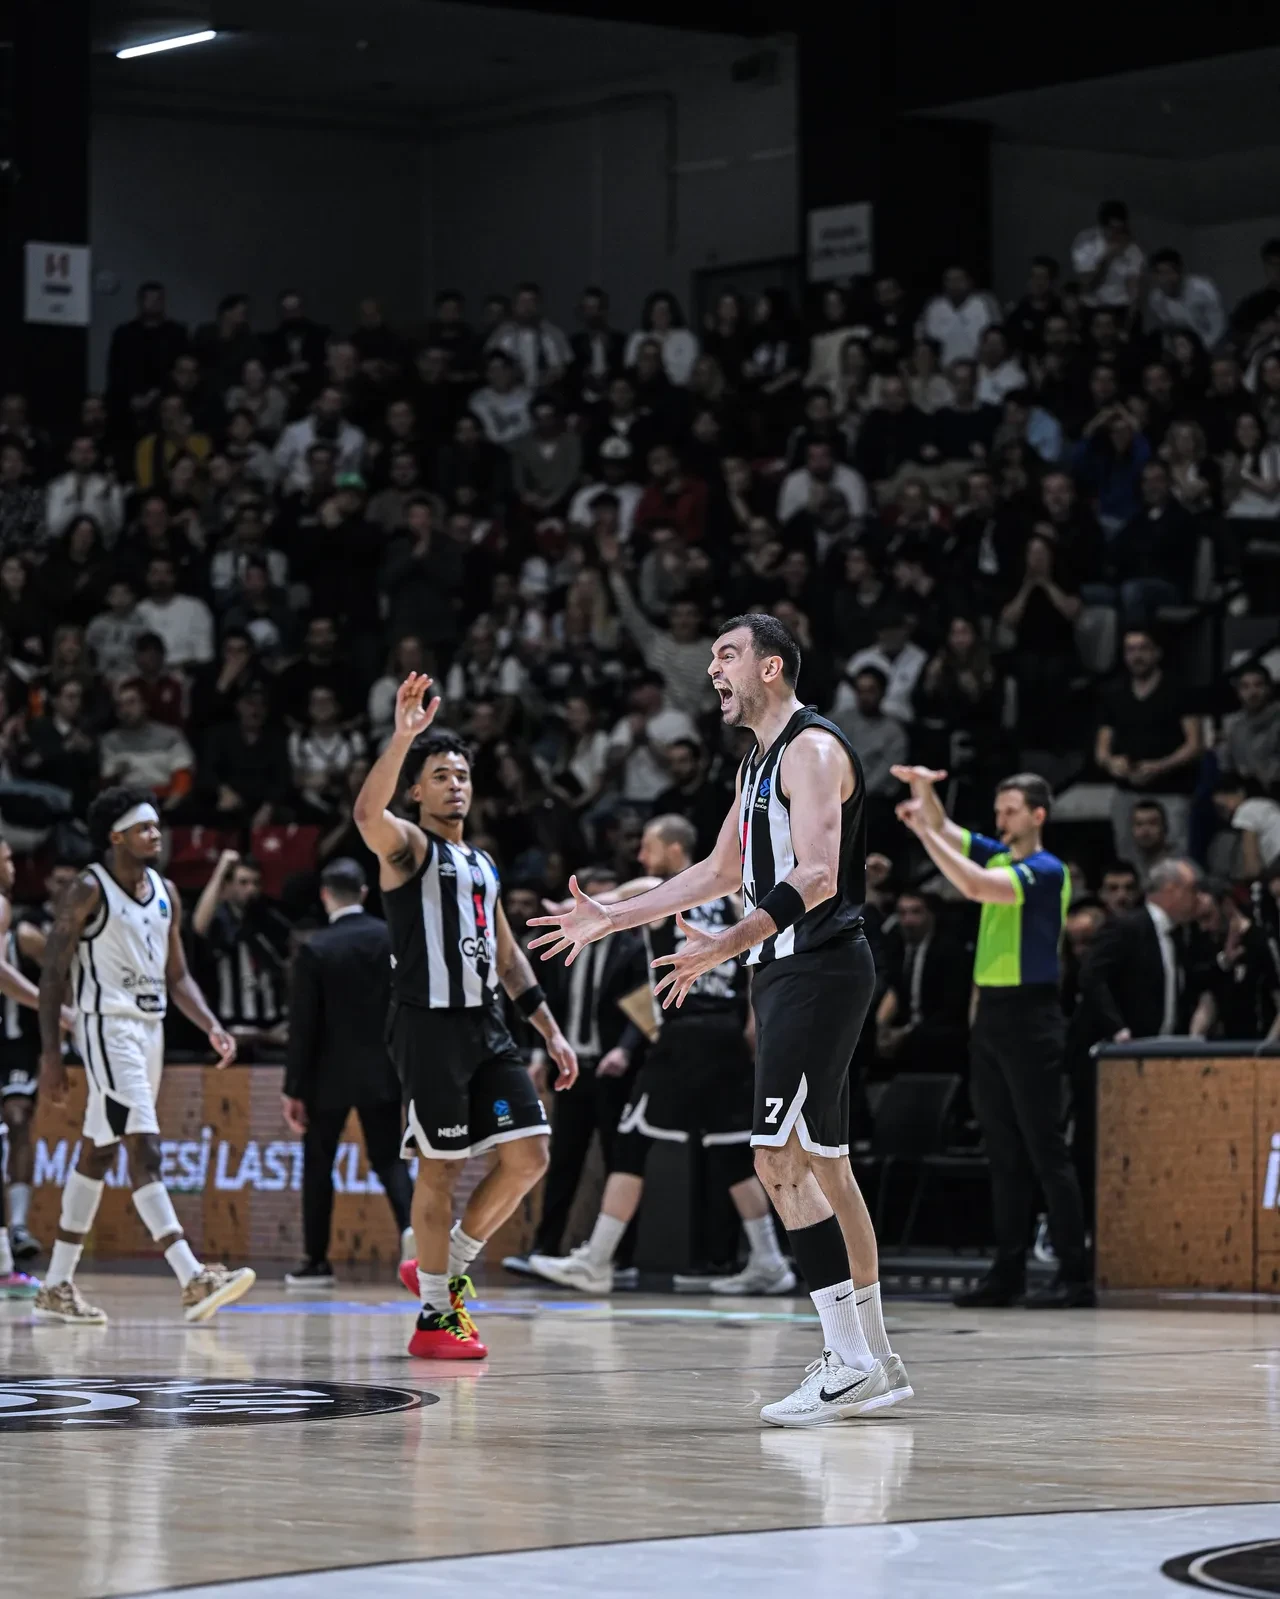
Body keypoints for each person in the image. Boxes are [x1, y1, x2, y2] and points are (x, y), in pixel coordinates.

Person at [529, 613, 911, 1427]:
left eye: (726, 655)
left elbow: (814, 875)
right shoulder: (756, 766)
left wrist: (726, 945)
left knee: (776, 1159)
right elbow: (719, 870)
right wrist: (616, 915)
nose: (713, 670)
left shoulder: (811, 749)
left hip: (816, 967)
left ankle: (846, 1358)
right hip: (787, 973)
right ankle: (877, 1356)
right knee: (827, 1167)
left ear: (771, 667)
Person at [353, 679, 578, 1361]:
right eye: (440, 775)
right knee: (442, 1169)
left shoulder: (480, 862)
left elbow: (506, 953)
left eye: (462, 775)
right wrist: (402, 739)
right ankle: (432, 1316)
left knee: (530, 1153)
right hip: (428, 1028)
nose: (455, 784)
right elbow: (367, 811)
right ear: (416, 791)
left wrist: (550, 1028)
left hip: (487, 1026)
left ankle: (445, 1260)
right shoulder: (409, 850)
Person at [528, 814, 794, 1298]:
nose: (643, 857)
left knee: (631, 1141)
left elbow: (612, 900)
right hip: (727, 1036)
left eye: (649, 848)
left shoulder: (662, 884)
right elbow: (756, 963)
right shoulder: (738, 897)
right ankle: (770, 1261)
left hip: (684, 1035)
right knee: (730, 1153)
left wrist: (565, 906)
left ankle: (596, 1260)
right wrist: (755, 1030)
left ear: (674, 850)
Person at [33, 788, 254, 1326]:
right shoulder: (90, 888)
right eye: (144, 828)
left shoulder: (166, 892)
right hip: (106, 1027)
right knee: (144, 1146)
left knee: (99, 1154)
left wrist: (211, 1026)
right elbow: (53, 973)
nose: (156, 835)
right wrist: (51, 1055)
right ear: (116, 836)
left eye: (158, 827)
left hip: (149, 1030)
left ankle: (57, 1284)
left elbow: (176, 974)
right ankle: (190, 1274)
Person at [893, 765, 1091, 1309]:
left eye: (1010, 811)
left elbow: (973, 885)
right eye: (998, 810)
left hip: (1033, 1018)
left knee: (1046, 1149)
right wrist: (924, 793)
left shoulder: (1046, 870)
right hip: (993, 1018)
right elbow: (948, 827)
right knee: (1002, 1151)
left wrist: (925, 833)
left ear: (1037, 815)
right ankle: (1008, 1273)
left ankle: (1076, 1275)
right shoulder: (1001, 854)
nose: (1000, 820)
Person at [281, 858, 414, 1288]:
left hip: (326, 1079)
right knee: (391, 1162)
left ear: (324, 896)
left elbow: (303, 1026)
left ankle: (316, 1262)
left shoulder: (316, 948)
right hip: (384, 1072)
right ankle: (422, 1254)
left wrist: (293, 1088)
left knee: (318, 1166)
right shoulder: (389, 938)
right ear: (363, 893)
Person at [510, 866, 647, 1271]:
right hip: (569, 1068)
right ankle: (545, 1248)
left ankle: (623, 1259)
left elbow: (642, 1008)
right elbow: (543, 1001)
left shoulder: (632, 947)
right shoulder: (562, 941)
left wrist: (623, 1051)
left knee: (618, 1161)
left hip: (612, 1070)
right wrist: (538, 1055)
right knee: (561, 1160)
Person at [0, 841, 63, 1293]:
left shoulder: (24, 932)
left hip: (16, 1044)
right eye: (4, 858)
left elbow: (62, 970)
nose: (11, 865)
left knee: (18, 1120)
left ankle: (13, 1239)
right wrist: (61, 1014)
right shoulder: (2, 909)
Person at [1077, 858, 1205, 1044]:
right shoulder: (1126, 927)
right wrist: (1117, 1029)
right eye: (1192, 890)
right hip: (1122, 1049)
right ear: (1172, 890)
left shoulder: (1179, 935)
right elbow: (1091, 975)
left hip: (1164, 1048)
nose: (1198, 898)